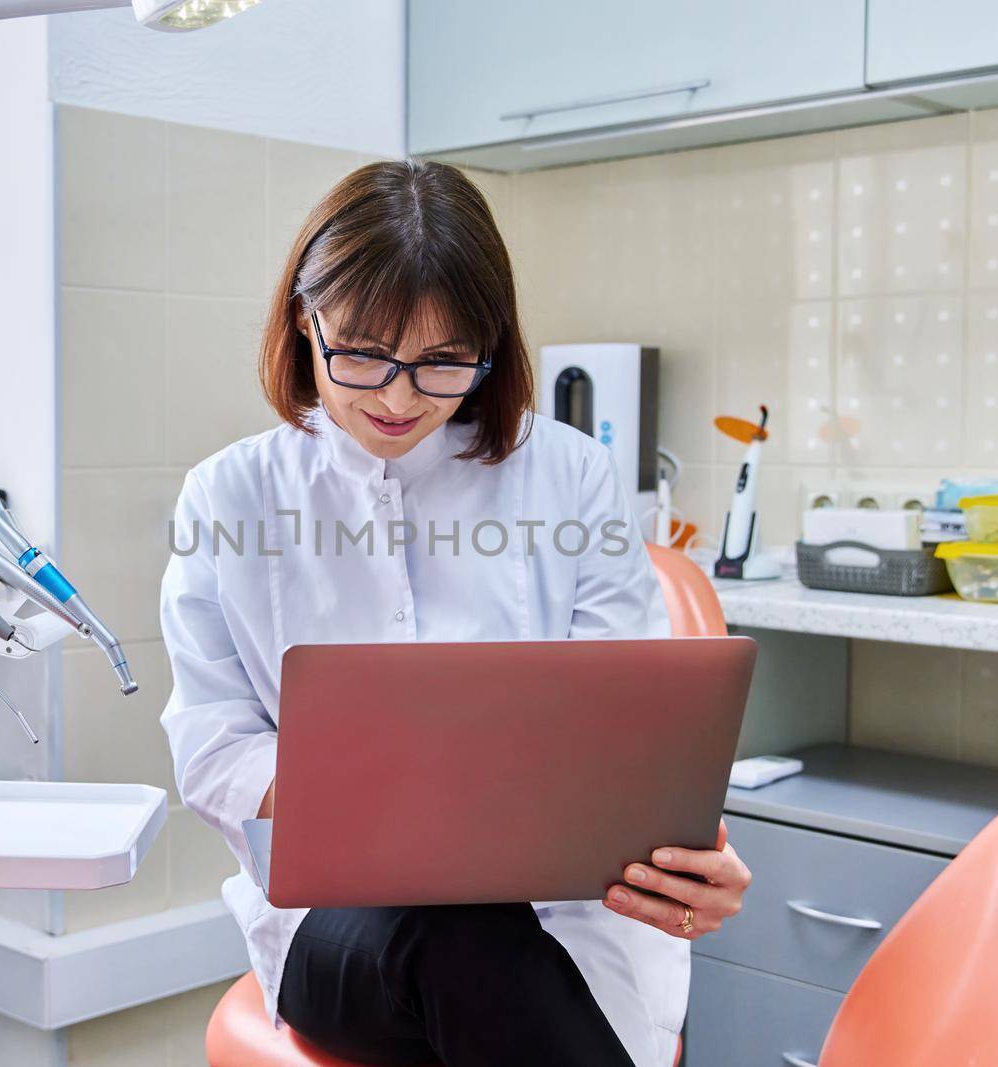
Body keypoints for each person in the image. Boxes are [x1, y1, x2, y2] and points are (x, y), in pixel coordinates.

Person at [159, 159, 751, 1066]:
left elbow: (631, 727)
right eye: (359, 353)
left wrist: (686, 849)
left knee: (507, 955)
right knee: (467, 941)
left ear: (491, 344)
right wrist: (389, 799)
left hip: (568, 918)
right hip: (339, 931)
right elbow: (210, 748)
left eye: (441, 362)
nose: (397, 398)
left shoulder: (568, 473)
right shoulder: (231, 495)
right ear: (302, 323)